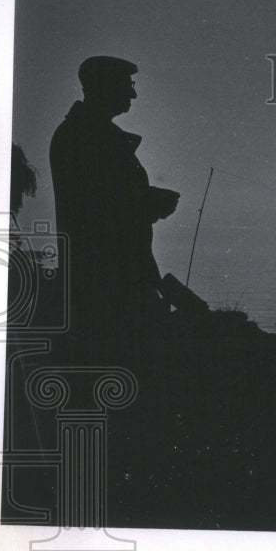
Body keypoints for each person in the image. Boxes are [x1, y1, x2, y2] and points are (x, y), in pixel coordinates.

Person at [50, 56, 180, 361]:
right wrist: (150, 203)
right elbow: (99, 212)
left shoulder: (84, 135)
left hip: (113, 282)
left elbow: (104, 198)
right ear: (103, 87)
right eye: (127, 86)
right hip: (111, 288)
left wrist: (146, 200)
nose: (133, 94)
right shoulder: (85, 138)